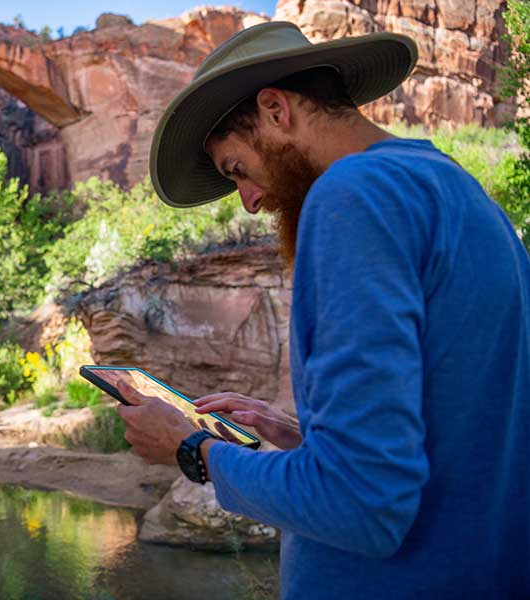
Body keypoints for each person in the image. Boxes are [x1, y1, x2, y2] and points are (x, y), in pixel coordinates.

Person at [115, 21, 530, 598]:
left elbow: (360, 504)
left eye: (237, 169)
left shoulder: (353, 196)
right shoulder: (455, 190)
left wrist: (192, 449)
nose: (251, 201)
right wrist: (298, 434)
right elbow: (456, 430)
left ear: (277, 110)